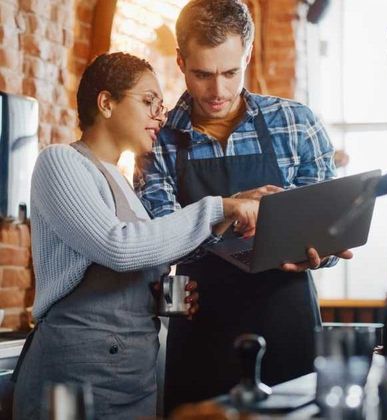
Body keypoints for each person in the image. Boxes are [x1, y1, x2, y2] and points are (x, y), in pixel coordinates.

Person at [12, 52, 259, 419]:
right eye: (149, 102)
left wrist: (157, 298)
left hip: (133, 379)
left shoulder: (122, 183)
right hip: (74, 379)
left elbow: (131, 261)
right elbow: (118, 246)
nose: (159, 115)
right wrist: (217, 208)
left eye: (160, 106)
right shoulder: (60, 162)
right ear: (106, 102)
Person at [135, 0, 351, 412]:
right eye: (202, 74)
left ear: (247, 55)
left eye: (230, 72)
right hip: (203, 329)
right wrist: (227, 211)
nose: (217, 91)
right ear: (180, 61)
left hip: (288, 321)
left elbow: (328, 232)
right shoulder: (156, 140)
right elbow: (157, 240)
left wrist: (320, 253)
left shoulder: (296, 123)